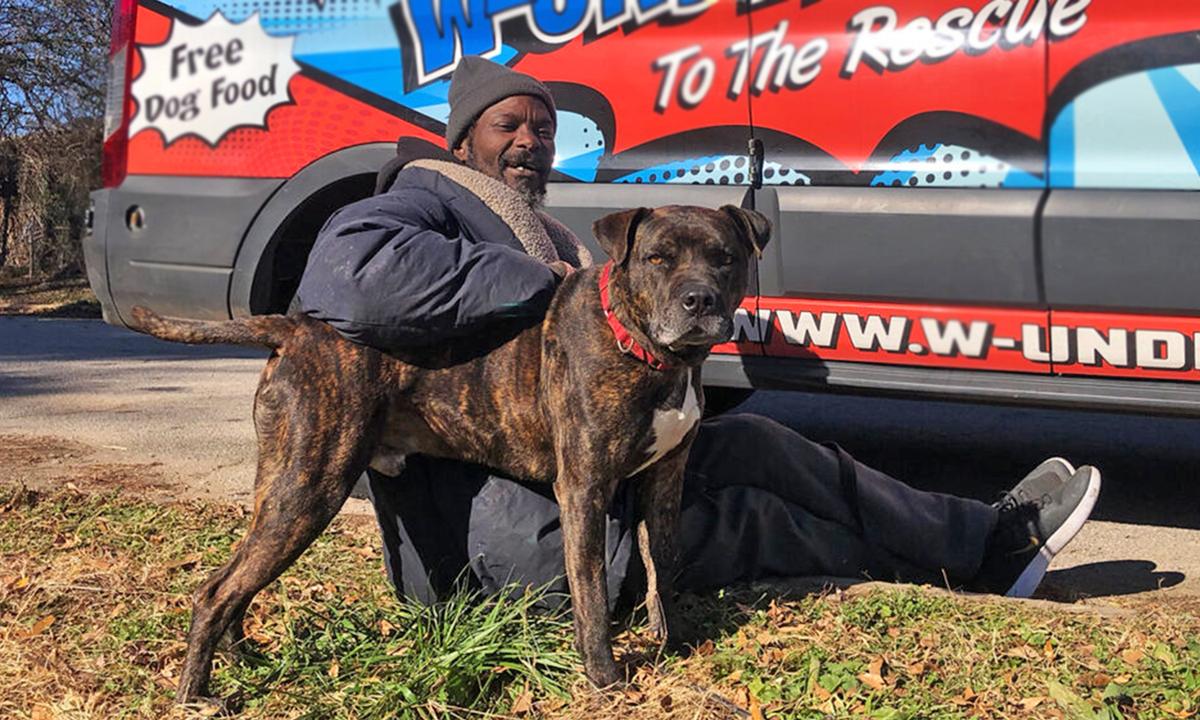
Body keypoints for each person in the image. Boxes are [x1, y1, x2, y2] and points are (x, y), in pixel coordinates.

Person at [295, 57, 1101, 609]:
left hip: (595, 473)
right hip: (511, 540)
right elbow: (346, 278)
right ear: (462, 137)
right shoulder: (422, 198)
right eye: (508, 125)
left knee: (761, 444)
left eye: (543, 129)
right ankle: (962, 569)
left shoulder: (541, 226)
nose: (530, 141)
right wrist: (549, 284)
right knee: (752, 522)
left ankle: (983, 538)